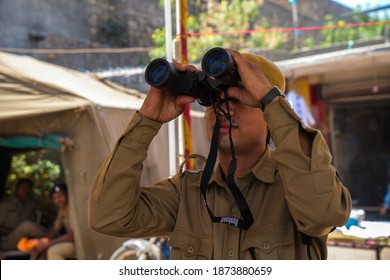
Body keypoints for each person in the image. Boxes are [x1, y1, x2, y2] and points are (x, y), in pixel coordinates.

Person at [89, 49, 352, 260]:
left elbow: (324, 215)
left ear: (270, 115)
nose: (224, 110)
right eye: (213, 101)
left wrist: (270, 100)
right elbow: (109, 216)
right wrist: (148, 120)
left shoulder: (298, 187)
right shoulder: (187, 193)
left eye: (239, 100)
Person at [31, 183, 76, 260]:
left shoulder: (73, 207)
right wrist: (44, 241)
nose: (58, 200)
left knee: (53, 251)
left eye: (60, 196)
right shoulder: (62, 209)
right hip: (72, 242)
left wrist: (48, 244)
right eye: (55, 198)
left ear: (68, 194)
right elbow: (55, 229)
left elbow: (71, 235)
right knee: (39, 249)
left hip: (80, 244)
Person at [0, 178, 46, 251]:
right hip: (7, 240)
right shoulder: (5, 204)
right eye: (22, 187)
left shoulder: (32, 203)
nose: (25, 189)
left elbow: (47, 213)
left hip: (26, 241)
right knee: (26, 226)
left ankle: (52, 237)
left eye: (28, 188)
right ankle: (53, 238)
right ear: (17, 188)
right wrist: (14, 231)